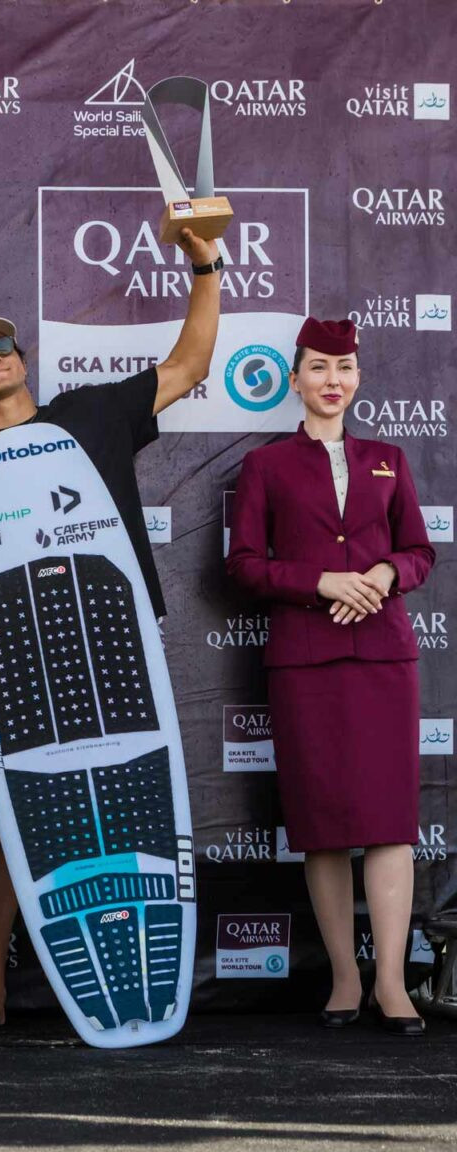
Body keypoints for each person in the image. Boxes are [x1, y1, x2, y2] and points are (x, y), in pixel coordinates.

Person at [0, 226, 221, 1033]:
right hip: (10, 675)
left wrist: (204, 263)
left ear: (21, 356)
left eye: (0, 345)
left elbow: (190, 365)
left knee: (142, 800)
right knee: (2, 827)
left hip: (117, 651)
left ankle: (148, 970)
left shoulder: (92, 413)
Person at [227, 317, 432, 1035]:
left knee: (389, 826)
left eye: (342, 367)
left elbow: (419, 554)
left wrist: (381, 571)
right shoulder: (266, 466)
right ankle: (344, 978)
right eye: (317, 367)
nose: (332, 380)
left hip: (382, 659)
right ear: (295, 379)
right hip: (306, 661)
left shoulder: (388, 459)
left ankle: (392, 983)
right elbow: (244, 566)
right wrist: (322, 582)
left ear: (358, 378)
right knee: (320, 828)